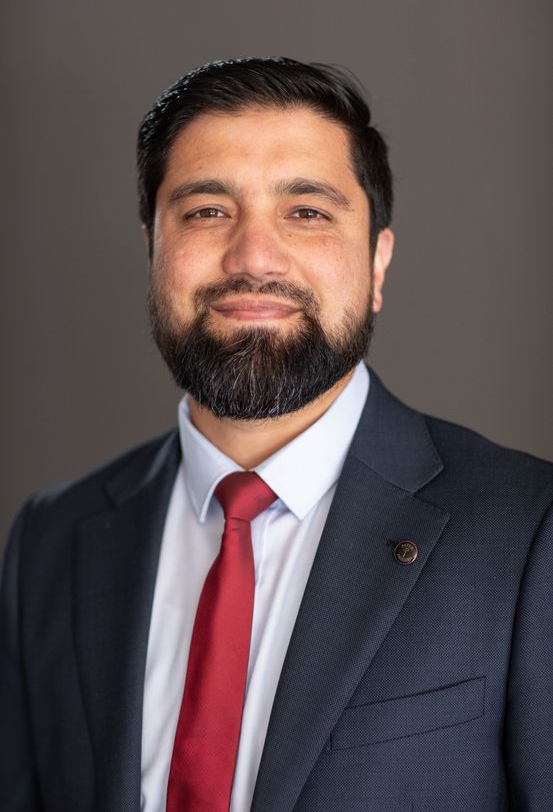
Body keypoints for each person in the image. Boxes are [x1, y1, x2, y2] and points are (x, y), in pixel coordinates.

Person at [1, 57, 552, 812]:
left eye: (307, 212)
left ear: (377, 262)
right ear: (152, 251)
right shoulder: (50, 540)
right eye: (206, 211)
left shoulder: (527, 531)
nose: (253, 257)